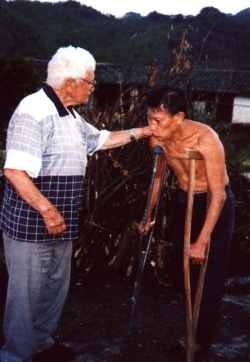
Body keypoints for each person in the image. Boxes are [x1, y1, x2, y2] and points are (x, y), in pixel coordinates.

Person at [0, 45, 152, 362]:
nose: (92, 88)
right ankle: (16, 354)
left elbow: (102, 139)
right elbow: (15, 171)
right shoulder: (34, 112)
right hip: (32, 224)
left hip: (61, 222)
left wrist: (146, 131)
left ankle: (41, 342)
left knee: (54, 287)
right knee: (25, 294)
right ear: (71, 82)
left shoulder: (68, 114)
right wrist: (47, 210)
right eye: (90, 82)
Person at [141, 86, 235, 352]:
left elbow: (219, 196)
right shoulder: (158, 140)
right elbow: (157, 180)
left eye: (158, 121)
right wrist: (147, 216)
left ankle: (200, 341)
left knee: (210, 276)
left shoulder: (206, 139)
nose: (152, 127)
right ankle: (190, 325)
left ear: (179, 117)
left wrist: (202, 240)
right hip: (186, 200)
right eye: (149, 119)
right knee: (183, 270)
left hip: (214, 204)